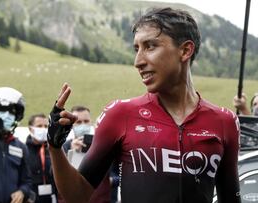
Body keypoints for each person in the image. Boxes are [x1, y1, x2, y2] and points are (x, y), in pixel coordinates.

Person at [46, 7, 241, 203]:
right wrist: (55, 146)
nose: (138, 61)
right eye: (136, 49)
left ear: (185, 50)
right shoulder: (120, 114)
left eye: (150, 46)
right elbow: (76, 195)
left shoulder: (224, 121)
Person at [62, 105, 116, 203]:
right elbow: (54, 175)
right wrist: (71, 152)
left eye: (86, 121)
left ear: (91, 122)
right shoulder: (64, 147)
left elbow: (119, 175)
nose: (83, 125)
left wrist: (108, 182)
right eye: (78, 122)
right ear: (71, 124)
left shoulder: (104, 145)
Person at [26, 113, 57, 203]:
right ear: (31, 129)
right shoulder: (24, 150)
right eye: (39, 126)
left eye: (46, 126)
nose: (43, 129)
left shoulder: (55, 150)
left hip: (52, 198)